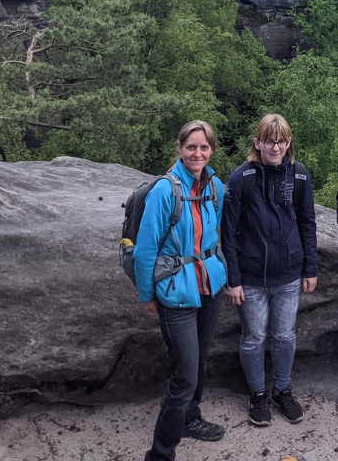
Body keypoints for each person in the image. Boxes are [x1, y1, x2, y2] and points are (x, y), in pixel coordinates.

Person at [133, 120, 229, 461]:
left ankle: (191, 418)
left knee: (199, 363)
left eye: (204, 147)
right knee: (185, 376)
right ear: (179, 148)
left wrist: (226, 278)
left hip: (209, 287)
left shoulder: (215, 186)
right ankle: (160, 454)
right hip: (176, 292)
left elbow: (217, 236)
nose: (197, 153)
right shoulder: (165, 190)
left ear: (211, 150)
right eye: (191, 147)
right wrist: (148, 295)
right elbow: (146, 250)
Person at [221, 114, 318, 428]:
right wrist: (233, 280)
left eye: (281, 141)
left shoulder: (299, 175)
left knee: (286, 336)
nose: (275, 147)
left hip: (289, 274)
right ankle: (258, 393)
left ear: (288, 142)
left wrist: (310, 268)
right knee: (253, 338)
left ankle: (282, 389)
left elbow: (307, 224)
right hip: (250, 278)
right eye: (269, 140)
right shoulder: (242, 178)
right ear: (257, 143)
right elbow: (229, 232)